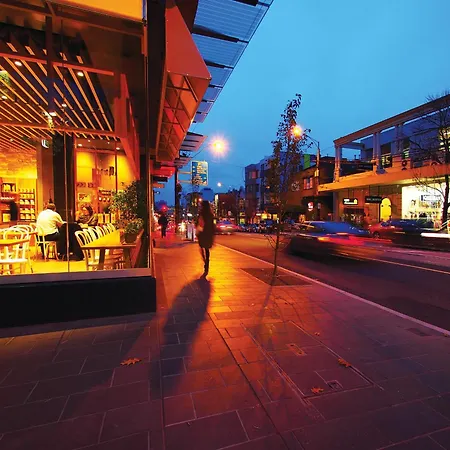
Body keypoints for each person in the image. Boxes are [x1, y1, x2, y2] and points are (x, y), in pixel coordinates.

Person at [196, 200, 214, 277]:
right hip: (208, 233)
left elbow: (198, 223)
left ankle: (205, 262)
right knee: (207, 250)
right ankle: (207, 263)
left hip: (202, 233)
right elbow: (212, 225)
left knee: (201, 248)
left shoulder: (201, 213)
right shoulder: (210, 214)